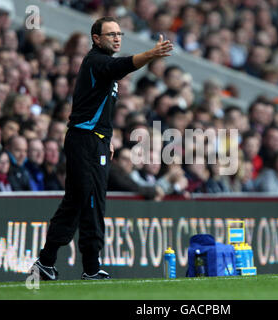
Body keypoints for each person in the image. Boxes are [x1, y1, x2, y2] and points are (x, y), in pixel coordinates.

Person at [31, 16, 173, 281]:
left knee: (83, 200)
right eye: (111, 34)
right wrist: (151, 55)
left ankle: (54, 263)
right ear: (96, 39)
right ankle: (76, 265)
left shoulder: (103, 65)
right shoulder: (97, 61)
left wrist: (105, 141)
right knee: (88, 199)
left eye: (119, 33)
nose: (117, 38)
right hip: (84, 140)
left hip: (94, 141)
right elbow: (122, 65)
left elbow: (102, 110)